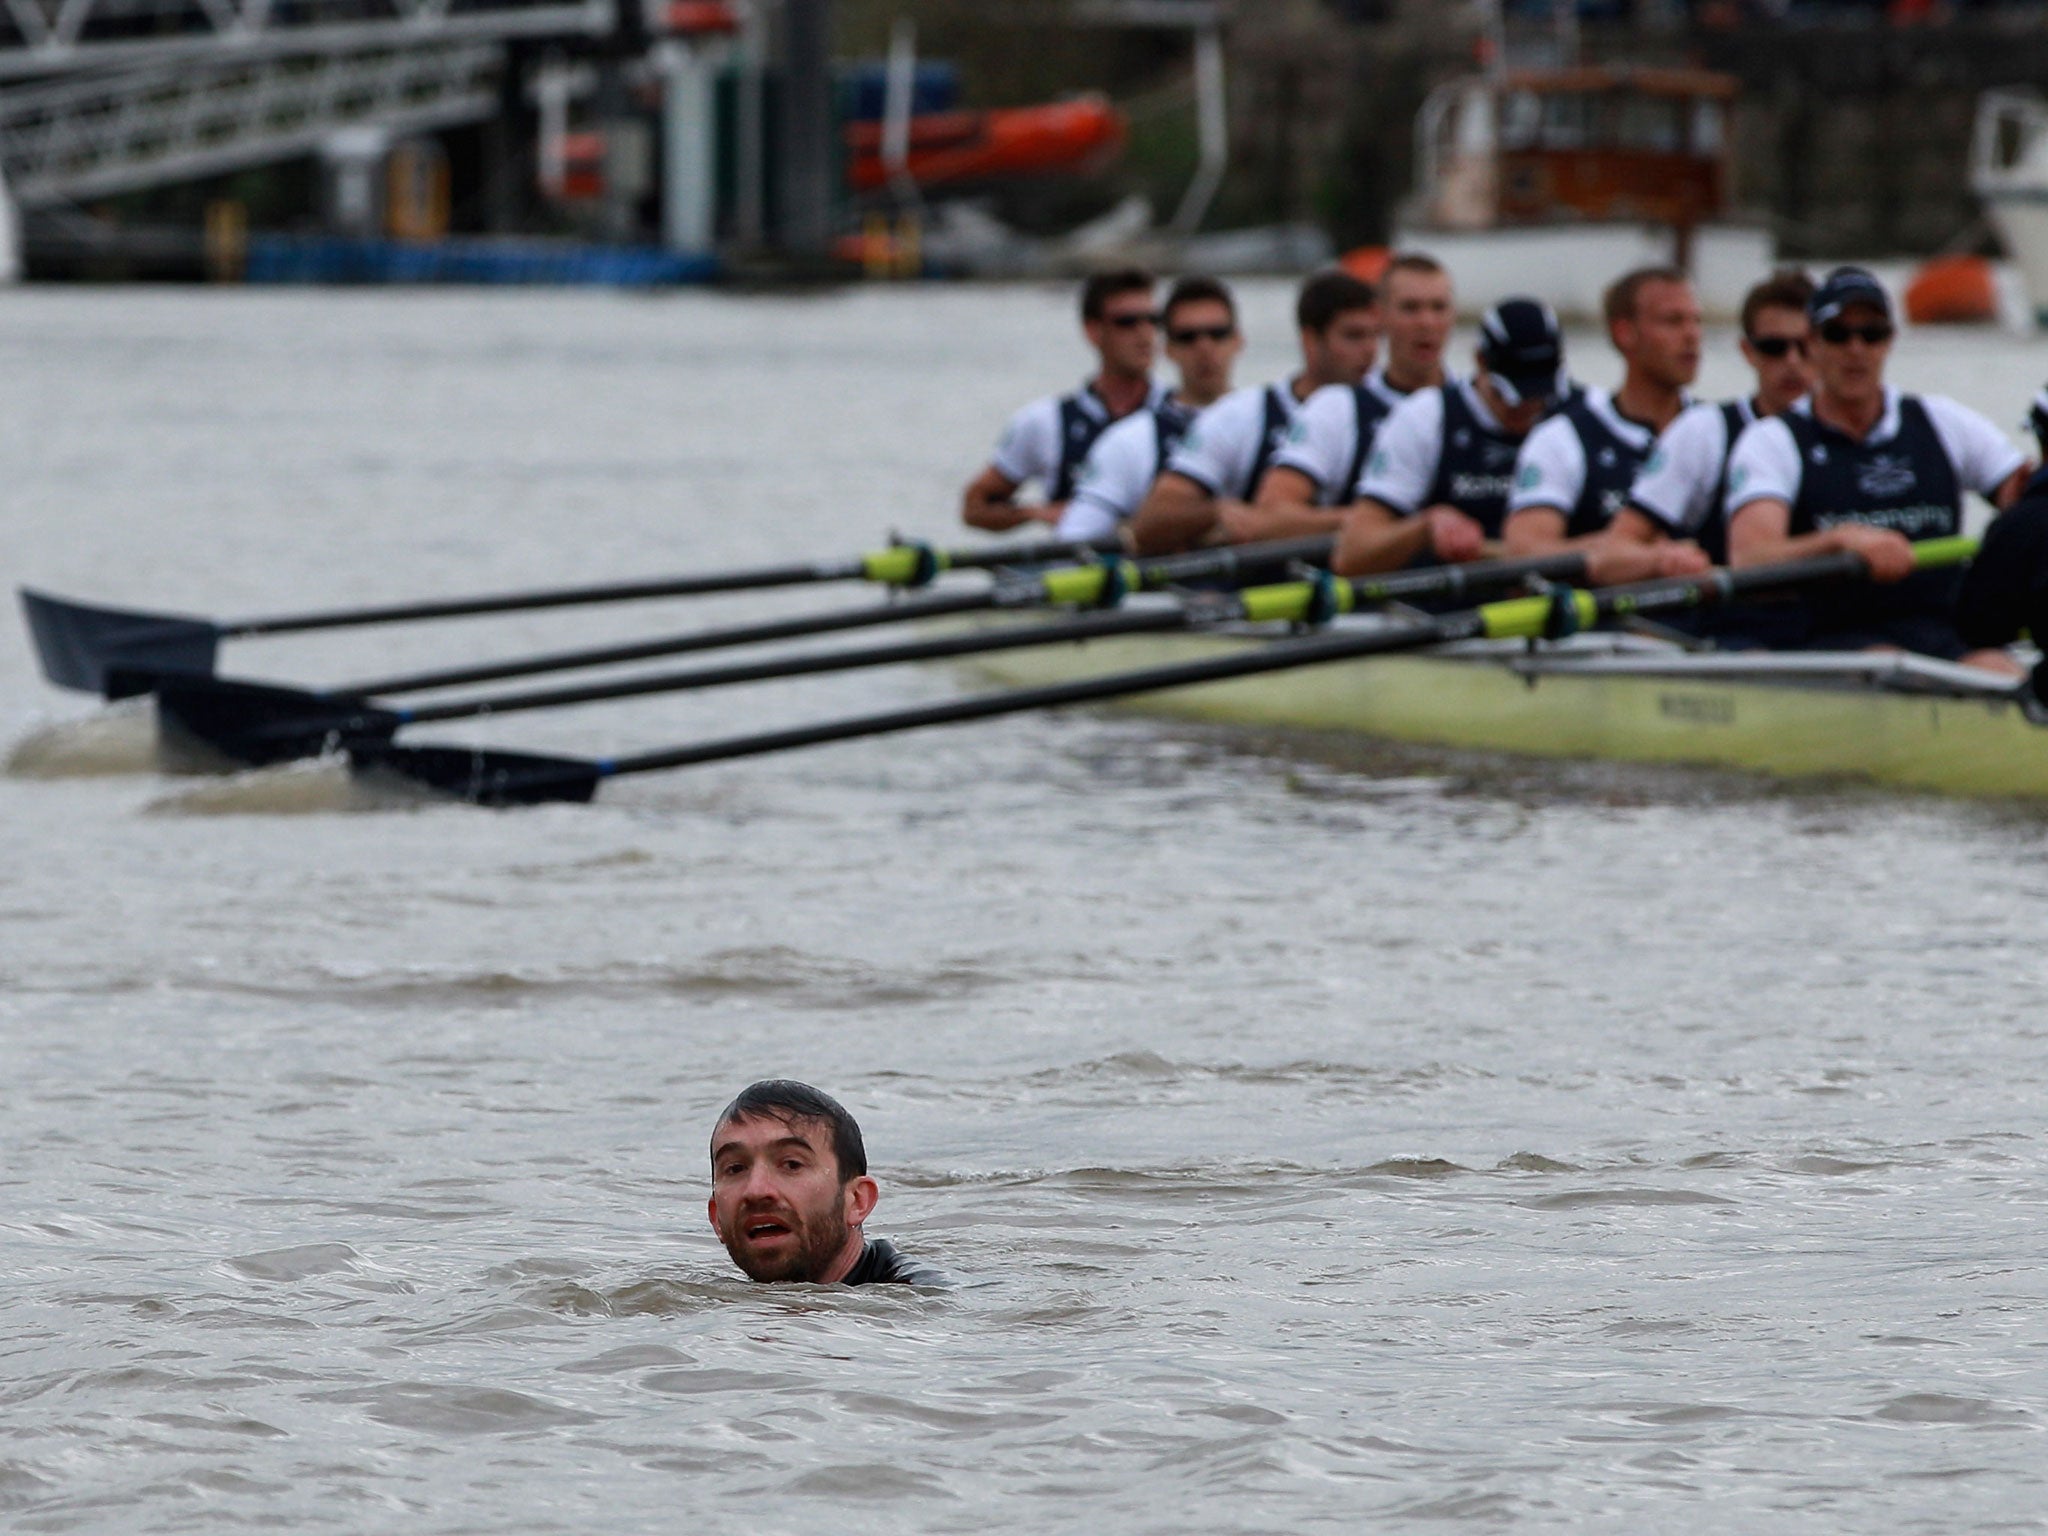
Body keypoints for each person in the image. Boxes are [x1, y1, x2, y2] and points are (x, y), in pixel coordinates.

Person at [1725, 265, 2031, 667]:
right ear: (1813, 344)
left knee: (2000, 670)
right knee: (1885, 663)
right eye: (1838, 335)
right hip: (1829, 640)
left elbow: (2021, 496)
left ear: (1889, 342)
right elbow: (1750, 559)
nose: (1856, 349)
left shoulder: (1941, 420)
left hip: (1940, 631)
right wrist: (1840, 540)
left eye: (1872, 334)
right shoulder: (1773, 441)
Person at [1125, 268, 1381, 554]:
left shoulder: (1402, 413)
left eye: (1376, 336)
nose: (1370, 350)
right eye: (1354, 336)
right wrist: (1215, 512)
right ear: (1310, 340)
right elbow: (1150, 523)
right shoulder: (1239, 416)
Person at [1332, 297, 1566, 576]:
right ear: (1480, 361)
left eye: (1538, 396)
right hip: (1443, 609)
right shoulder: (1426, 417)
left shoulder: (1581, 415)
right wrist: (1424, 527)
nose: (1526, 407)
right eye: (1509, 395)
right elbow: (1350, 555)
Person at [1605, 268, 1816, 568]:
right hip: (1738, 612)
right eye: (1774, 348)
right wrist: (1659, 560)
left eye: (1805, 346)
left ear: (1825, 346)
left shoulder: (1883, 424)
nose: (1792, 361)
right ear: (1747, 351)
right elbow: (1613, 552)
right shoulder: (1704, 430)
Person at [1503, 266, 1705, 572]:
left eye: (1696, 321)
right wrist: (1640, 558)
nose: (1692, 335)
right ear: (1624, 333)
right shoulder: (1561, 439)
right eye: (1673, 321)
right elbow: (1523, 555)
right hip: (1605, 618)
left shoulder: (1716, 430)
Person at [1256, 252, 1457, 529]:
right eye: (1410, 308)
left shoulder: (1482, 404)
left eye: (1439, 308)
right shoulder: (1337, 408)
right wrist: (1372, 523)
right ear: (1380, 316)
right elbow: (1271, 515)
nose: (1427, 323)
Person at [961, 268, 1163, 532]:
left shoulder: (1187, 415)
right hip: (1079, 564)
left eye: (1153, 320)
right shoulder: (1044, 421)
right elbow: (975, 506)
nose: (1144, 334)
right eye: (1127, 322)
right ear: (1093, 331)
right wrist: (1035, 513)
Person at [1055, 276, 1243, 545]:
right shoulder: (1128, 441)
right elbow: (1073, 542)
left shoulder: (1278, 423)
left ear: (1238, 341)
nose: (1205, 348)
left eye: (1217, 334)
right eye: (1187, 337)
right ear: (1167, 348)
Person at [707, 1079, 942, 1286]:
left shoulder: (924, 1304)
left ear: (857, 1201)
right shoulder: (711, 1315)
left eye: (792, 1164)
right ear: (716, 1218)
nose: (756, 1191)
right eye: (736, 1168)